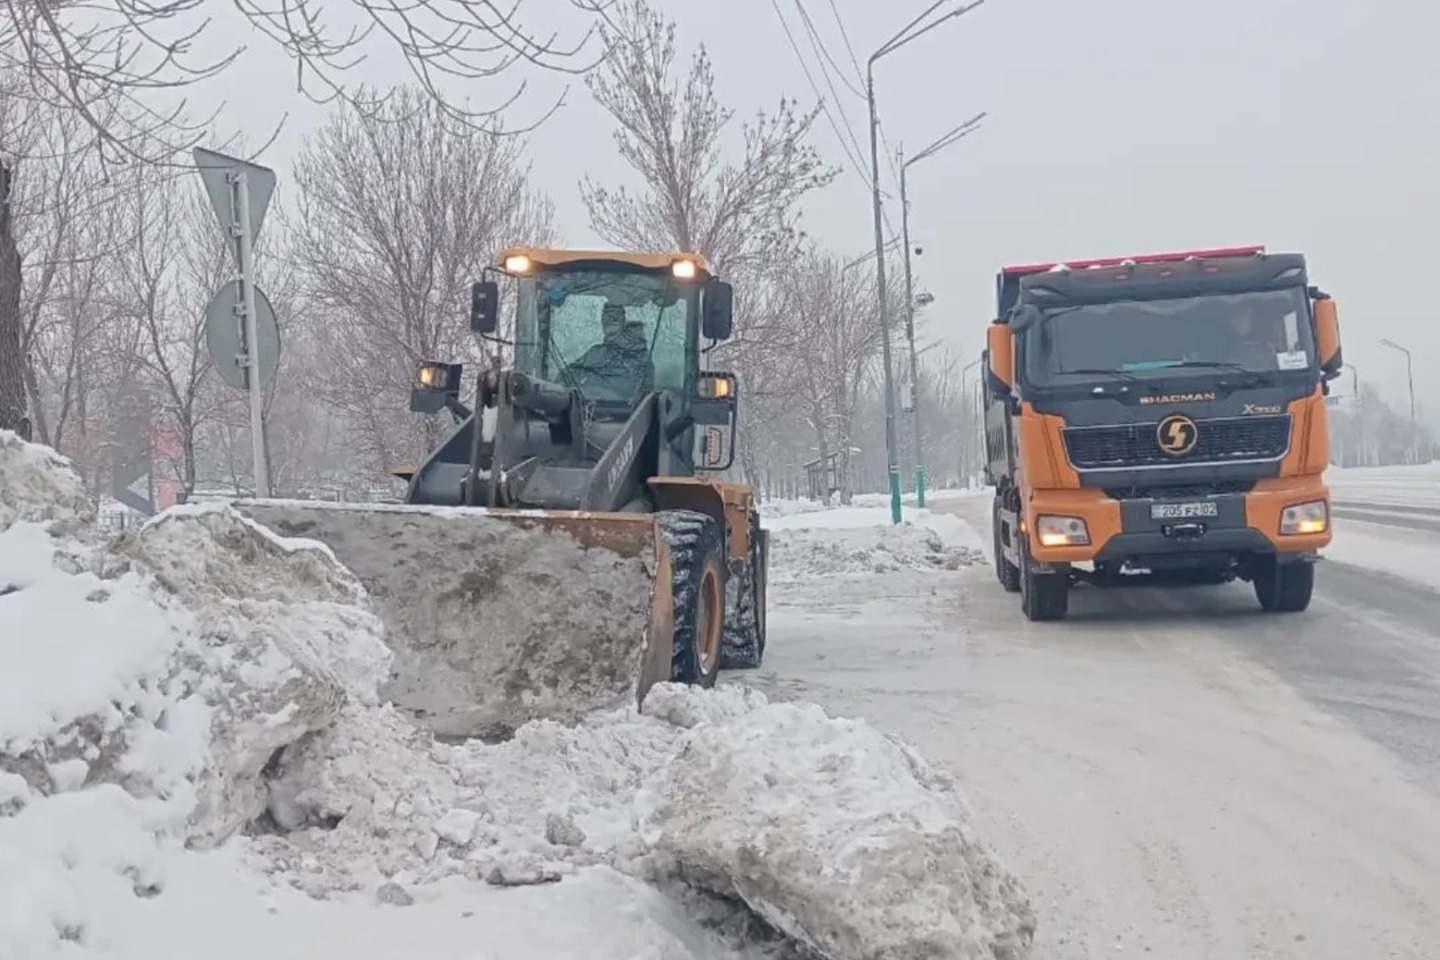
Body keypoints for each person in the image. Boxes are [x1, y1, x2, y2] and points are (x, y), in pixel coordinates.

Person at [573, 303, 654, 399]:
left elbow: (645, 396)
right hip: (585, 408)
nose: (608, 320)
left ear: (623, 321)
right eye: (605, 316)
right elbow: (568, 374)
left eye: (614, 316)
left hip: (625, 410)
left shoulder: (641, 358)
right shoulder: (596, 352)